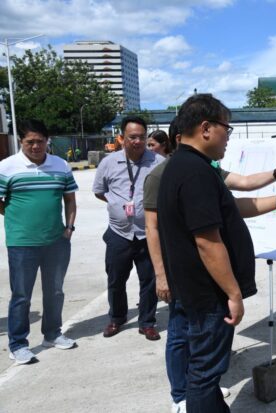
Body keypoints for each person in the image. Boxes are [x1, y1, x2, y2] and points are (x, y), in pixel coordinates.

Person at [157, 93, 276, 412]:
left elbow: (233, 206)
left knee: (205, 372)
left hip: (195, 289)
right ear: (205, 128)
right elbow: (207, 242)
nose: (229, 136)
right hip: (207, 292)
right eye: (226, 128)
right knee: (203, 373)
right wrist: (233, 293)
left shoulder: (189, 166)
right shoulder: (194, 172)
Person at [0, 119, 78, 365]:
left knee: (54, 291)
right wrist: (19, 221)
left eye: (40, 141)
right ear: (20, 142)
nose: (35, 146)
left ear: (48, 141)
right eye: (30, 142)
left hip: (56, 240)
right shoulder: (7, 167)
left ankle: (52, 334)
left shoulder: (61, 165)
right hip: (22, 243)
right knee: (21, 294)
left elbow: (69, 200)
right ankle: (18, 344)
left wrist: (69, 227)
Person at [92, 115, 165, 341]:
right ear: (122, 138)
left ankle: (147, 322)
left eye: (142, 137)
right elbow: (99, 191)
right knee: (115, 279)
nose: (137, 141)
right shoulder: (108, 162)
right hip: (118, 233)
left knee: (149, 280)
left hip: (148, 234)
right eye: (132, 137)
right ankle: (117, 318)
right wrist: (117, 205)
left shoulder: (159, 162)